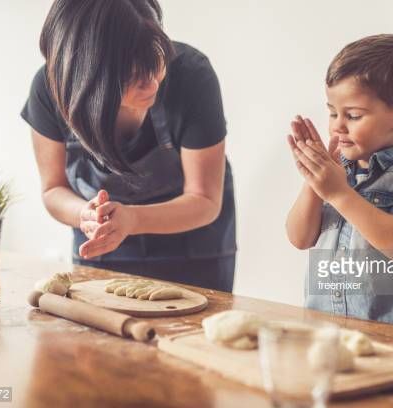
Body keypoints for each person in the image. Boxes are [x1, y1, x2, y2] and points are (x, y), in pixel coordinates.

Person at [21, 0, 236, 292]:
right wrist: (84, 215)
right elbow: (52, 190)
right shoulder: (49, 90)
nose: (151, 85)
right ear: (89, 78)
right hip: (102, 248)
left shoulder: (191, 76)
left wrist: (132, 218)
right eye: (132, 76)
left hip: (194, 251)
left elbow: (205, 200)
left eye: (155, 63)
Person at [285, 34, 393, 329]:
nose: (337, 125)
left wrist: (339, 193)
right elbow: (299, 238)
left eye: (354, 115)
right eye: (333, 112)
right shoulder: (335, 171)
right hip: (322, 331)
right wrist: (315, 181)